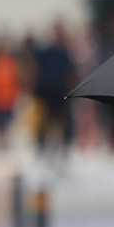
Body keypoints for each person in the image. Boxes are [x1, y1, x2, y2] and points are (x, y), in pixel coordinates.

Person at [32, 21, 77, 161]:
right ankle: (42, 145)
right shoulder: (45, 52)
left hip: (61, 90)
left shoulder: (65, 52)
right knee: (45, 118)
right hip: (47, 90)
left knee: (64, 119)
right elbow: (37, 69)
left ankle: (65, 145)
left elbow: (70, 72)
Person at [0, 35, 22, 150]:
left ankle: (5, 141)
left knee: (6, 122)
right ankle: (0, 140)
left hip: (8, 97)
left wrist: (16, 93)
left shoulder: (10, 62)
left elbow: (16, 78)